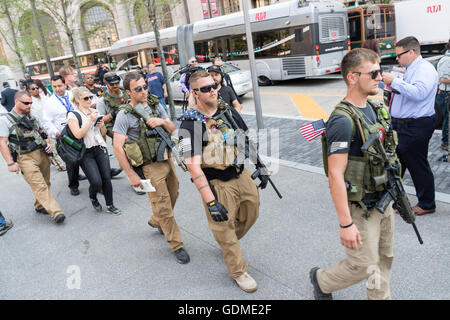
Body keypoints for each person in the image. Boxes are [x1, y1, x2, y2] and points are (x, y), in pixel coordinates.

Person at [310, 48, 398, 300]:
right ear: (352, 77)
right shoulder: (342, 121)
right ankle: (322, 280)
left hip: (385, 200)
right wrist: (345, 223)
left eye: (380, 71)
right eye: (373, 72)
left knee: (384, 259)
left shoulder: (375, 107)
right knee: (362, 265)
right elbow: (335, 175)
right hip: (361, 206)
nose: (380, 77)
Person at [178, 70, 259, 293]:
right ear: (194, 92)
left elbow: (244, 138)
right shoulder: (190, 124)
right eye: (205, 88)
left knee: (251, 212)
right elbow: (193, 166)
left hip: (240, 172)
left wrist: (259, 164)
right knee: (223, 227)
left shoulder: (227, 110)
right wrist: (211, 202)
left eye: (213, 85)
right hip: (217, 182)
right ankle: (238, 270)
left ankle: (226, 241)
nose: (213, 90)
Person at [113, 72, 190, 264]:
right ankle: (176, 244)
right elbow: (117, 147)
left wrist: (162, 121)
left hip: (166, 158)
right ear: (128, 91)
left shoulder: (155, 104)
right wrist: (131, 175)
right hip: (148, 166)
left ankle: (156, 220)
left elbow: (172, 128)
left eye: (145, 86)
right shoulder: (124, 114)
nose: (144, 91)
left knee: (174, 194)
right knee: (163, 205)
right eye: (138, 89)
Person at [382, 36, 438, 216]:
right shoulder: (411, 69)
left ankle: (427, 202)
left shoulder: (424, 69)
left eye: (399, 55)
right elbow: (407, 91)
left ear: (411, 52)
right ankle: (396, 200)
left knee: (416, 164)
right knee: (398, 163)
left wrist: (394, 82)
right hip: (404, 125)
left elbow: (419, 93)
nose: (397, 59)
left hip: (416, 125)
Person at [0, 91, 65, 223]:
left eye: (30, 102)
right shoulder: (5, 120)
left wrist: (47, 144)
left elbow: (43, 132)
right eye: (26, 103)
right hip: (24, 157)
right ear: (16, 102)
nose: (29, 105)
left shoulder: (33, 116)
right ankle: (56, 212)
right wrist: (10, 163)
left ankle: (40, 205)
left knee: (46, 183)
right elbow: (2, 142)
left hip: (41, 153)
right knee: (39, 185)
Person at [67, 87, 121, 215]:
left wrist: (102, 125)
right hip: (85, 152)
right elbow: (78, 135)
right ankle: (93, 197)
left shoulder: (94, 111)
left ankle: (110, 205)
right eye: (86, 98)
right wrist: (90, 120)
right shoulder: (73, 115)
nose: (89, 100)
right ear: (77, 100)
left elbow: (103, 133)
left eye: (90, 97)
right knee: (96, 182)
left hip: (100, 148)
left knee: (106, 178)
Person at [43, 75, 85, 196]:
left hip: (80, 129)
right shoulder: (49, 103)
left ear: (65, 84)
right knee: (71, 160)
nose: (57, 89)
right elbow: (47, 122)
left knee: (86, 154)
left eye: (59, 85)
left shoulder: (73, 95)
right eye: (54, 86)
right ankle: (73, 185)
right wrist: (56, 132)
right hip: (64, 135)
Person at [27, 81, 65, 172]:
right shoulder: (30, 102)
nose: (36, 90)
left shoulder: (45, 98)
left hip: (53, 125)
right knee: (51, 146)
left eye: (37, 88)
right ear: (29, 91)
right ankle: (59, 164)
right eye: (33, 89)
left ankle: (59, 161)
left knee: (59, 144)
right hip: (42, 128)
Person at [436, 40, 450, 151]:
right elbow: (443, 79)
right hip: (446, 94)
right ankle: (445, 143)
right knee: (447, 119)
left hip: (446, 93)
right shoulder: (446, 60)